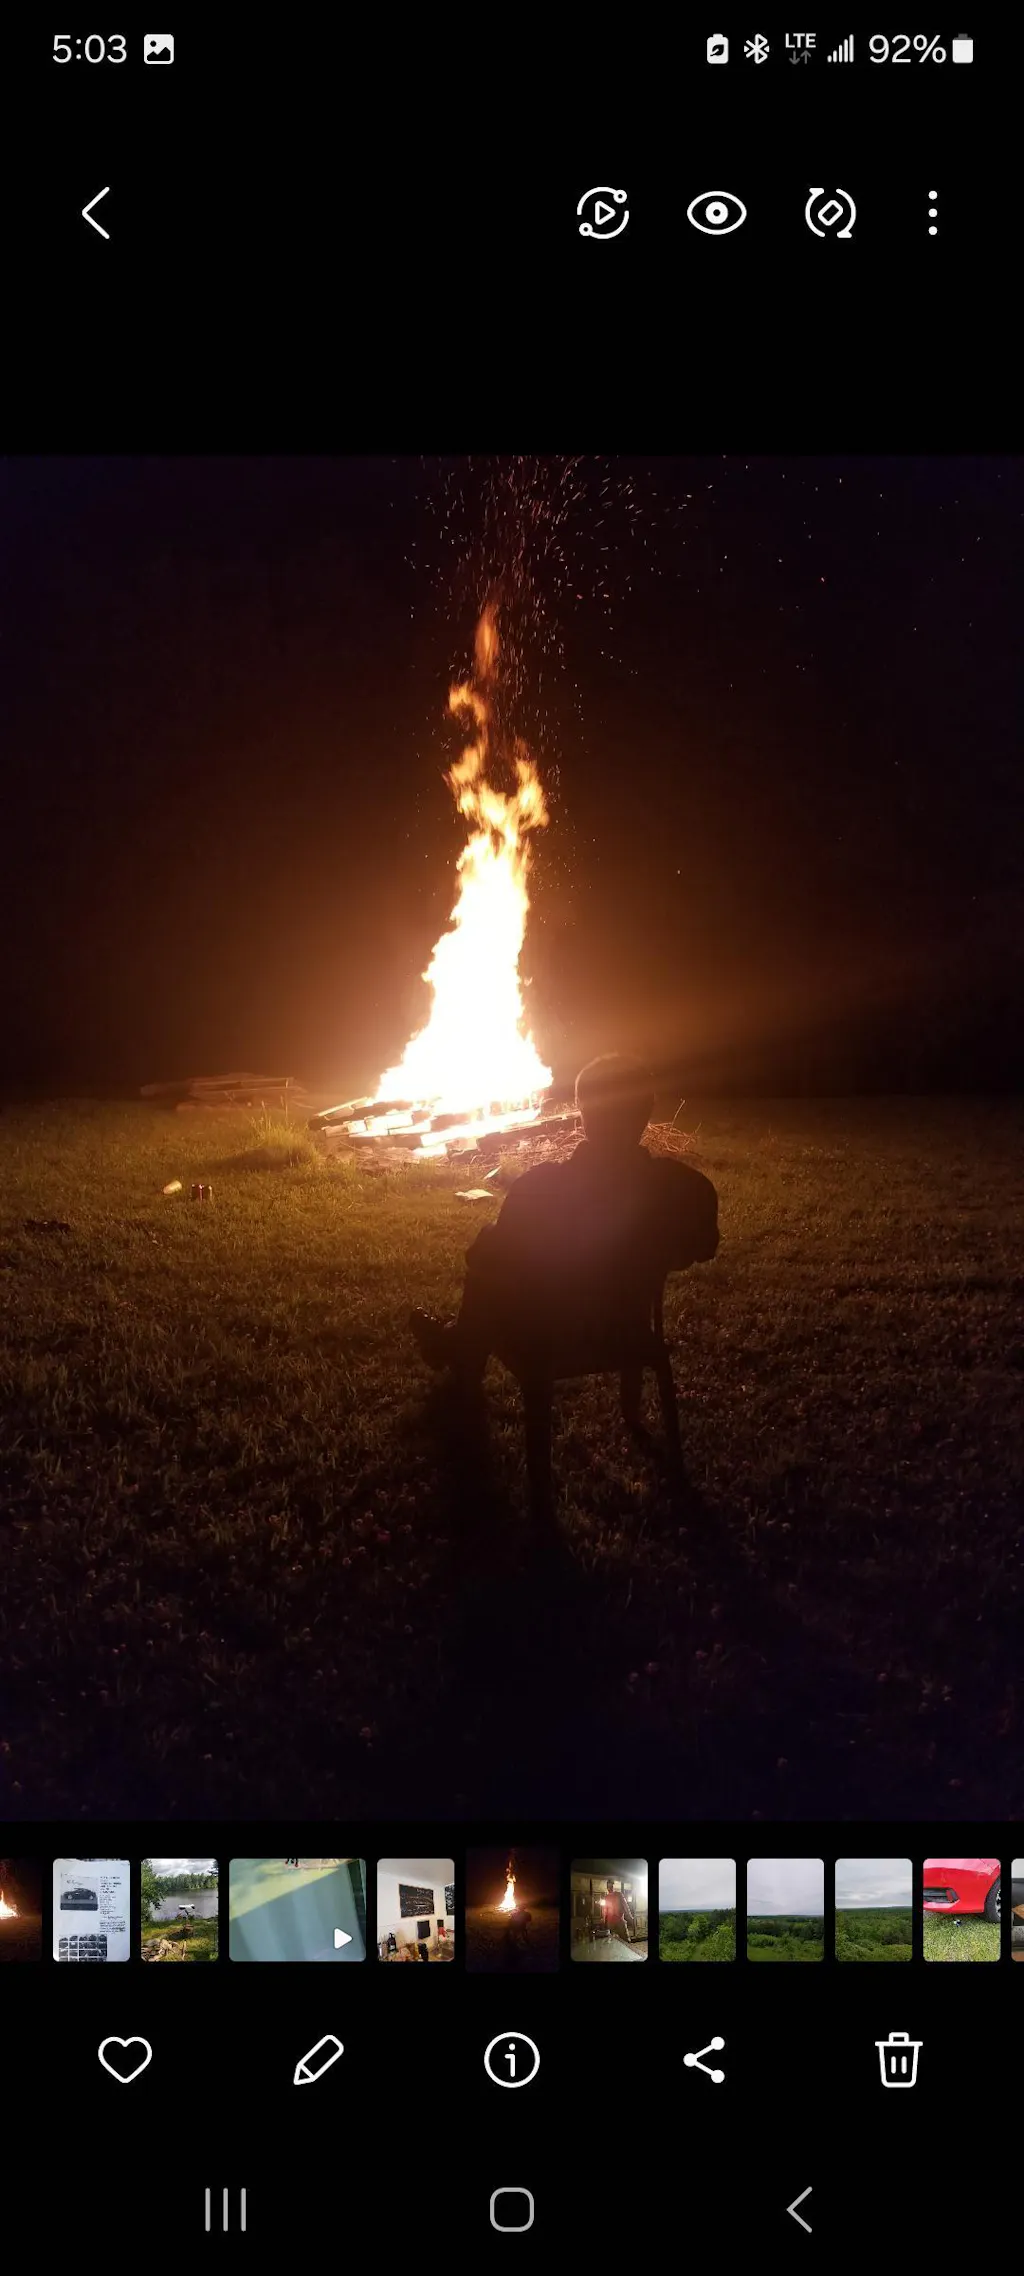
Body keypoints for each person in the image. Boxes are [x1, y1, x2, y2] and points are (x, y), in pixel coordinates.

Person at [411, 1054, 719, 1384]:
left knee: (489, 1255)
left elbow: (492, 1264)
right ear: (647, 1112)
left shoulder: (539, 1187)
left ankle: (461, 1350)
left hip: (549, 1331)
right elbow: (704, 1247)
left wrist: (489, 1243)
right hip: (627, 1327)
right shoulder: (685, 1187)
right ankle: (457, 1343)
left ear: (582, 1112)